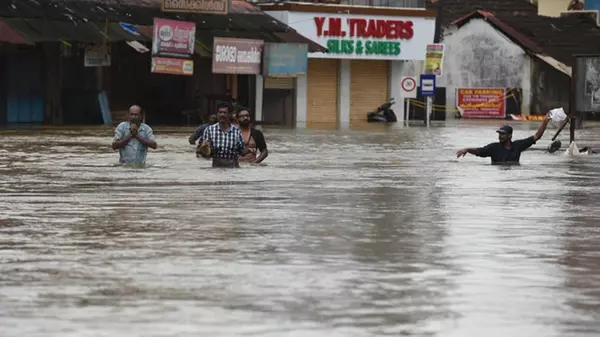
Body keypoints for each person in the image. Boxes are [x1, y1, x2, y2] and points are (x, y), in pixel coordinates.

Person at [456, 114, 551, 164]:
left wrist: (545, 122)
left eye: (503, 134)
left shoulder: (518, 145)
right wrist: (467, 149)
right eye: (499, 134)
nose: (500, 136)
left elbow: (537, 136)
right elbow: (479, 151)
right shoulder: (494, 148)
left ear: (510, 136)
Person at [200, 102, 248, 168]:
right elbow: (205, 154)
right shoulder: (209, 130)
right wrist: (206, 149)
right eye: (220, 112)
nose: (222, 115)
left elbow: (242, 151)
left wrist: (247, 150)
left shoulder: (236, 131)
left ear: (229, 114)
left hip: (233, 169)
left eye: (225, 113)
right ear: (217, 114)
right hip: (216, 169)